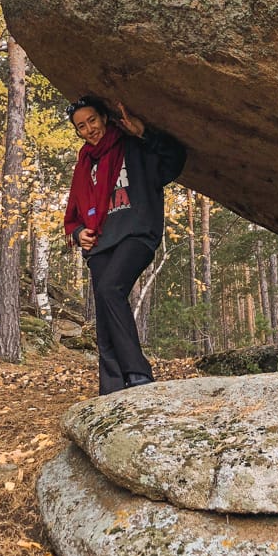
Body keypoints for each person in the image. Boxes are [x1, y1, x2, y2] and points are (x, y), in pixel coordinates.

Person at [64, 95, 187, 395]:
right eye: (81, 126)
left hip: (136, 234)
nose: (89, 129)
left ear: (104, 117)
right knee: (104, 316)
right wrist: (79, 231)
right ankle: (112, 386)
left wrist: (144, 133)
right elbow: (73, 214)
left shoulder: (132, 145)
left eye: (92, 120)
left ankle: (138, 372)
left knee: (110, 290)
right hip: (100, 245)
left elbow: (175, 161)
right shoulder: (84, 164)